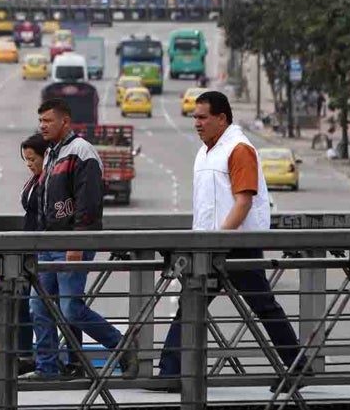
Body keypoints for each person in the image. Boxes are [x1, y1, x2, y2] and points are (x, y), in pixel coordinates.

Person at [150, 91, 305, 393]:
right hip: (209, 245)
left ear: (221, 118)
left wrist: (219, 239)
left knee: (263, 305)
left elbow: (243, 202)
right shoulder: (206, 151)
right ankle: (170, 372)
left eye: (203, 117)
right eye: (195, 117)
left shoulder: (238, 149)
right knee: (190, 304)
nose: (197, 123)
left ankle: (297, 366)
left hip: (236, 245)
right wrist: (204, 240)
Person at [20, 98, 139, 381]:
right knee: (39, 307)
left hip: (72, 245)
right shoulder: (52, 153)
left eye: (48, 121)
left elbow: (89, 203)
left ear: (65, 122)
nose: (42, 126)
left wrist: (77, 242)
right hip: (48, 246)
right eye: (41, 121)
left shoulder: (82, 152)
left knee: (70, 309)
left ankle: (121, 346)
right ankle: (47, 368)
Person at [17, 133, 50, 376]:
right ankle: (26, 355)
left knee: (46, 306)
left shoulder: (51, 181)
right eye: (26, 160)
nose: (29, 164)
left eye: (32, 159)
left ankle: (56, 361)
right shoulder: (34, 179)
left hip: (43, 250)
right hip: (28, 249)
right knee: (22, 301)